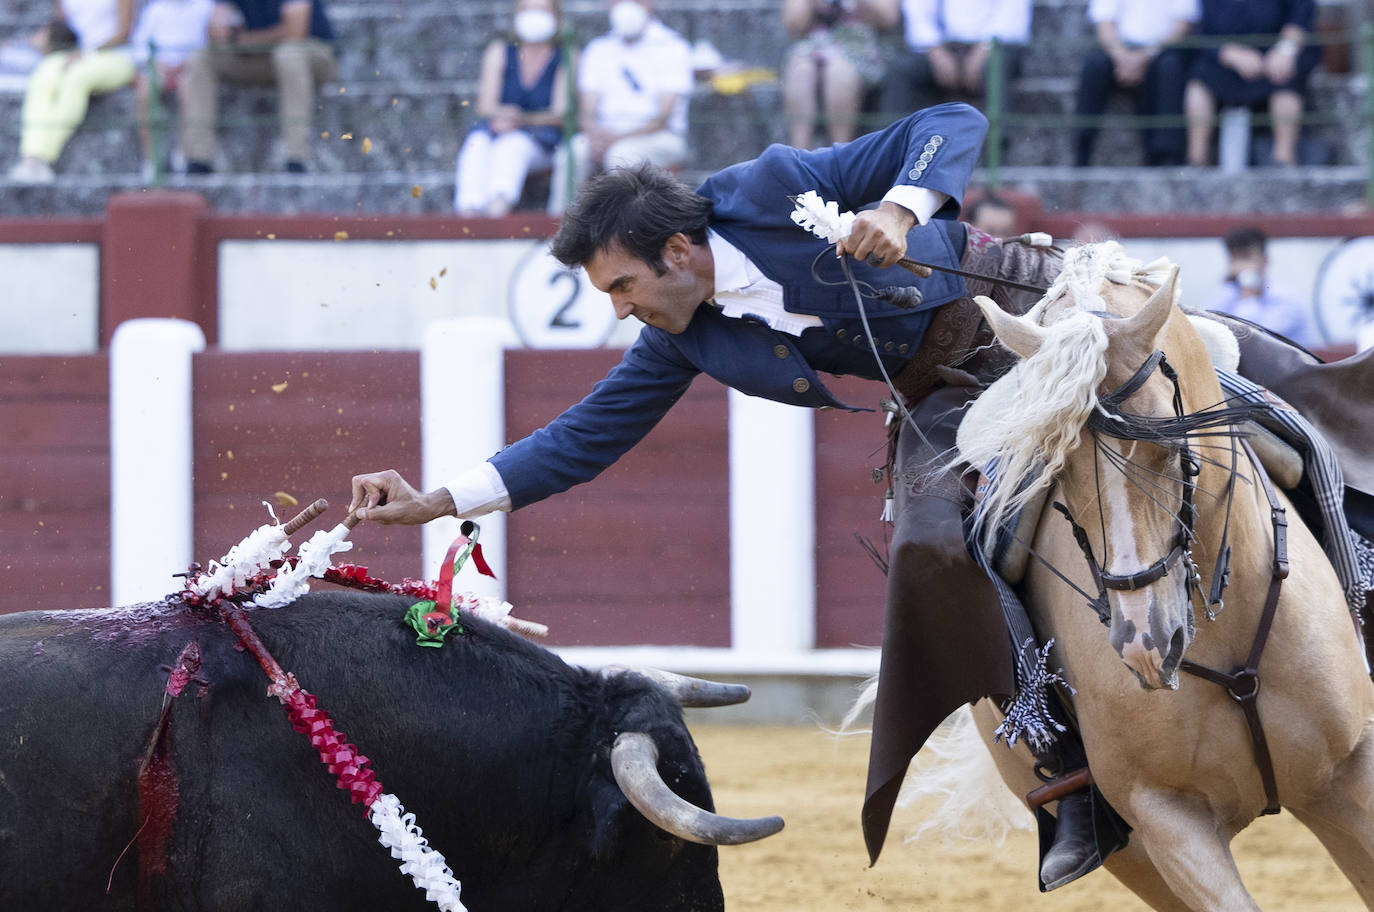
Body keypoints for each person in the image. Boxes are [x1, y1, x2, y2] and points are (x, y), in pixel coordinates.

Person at [348, 101, 1374, 891]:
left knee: (1261, 381)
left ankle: (1358, 583)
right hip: (944, 400)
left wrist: (898, 207)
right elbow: (584, 438)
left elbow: (951, 123)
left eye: (620, 287)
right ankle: (1067, 780)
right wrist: (444, 499)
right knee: (935, 548)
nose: (621, 310)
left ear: (676, 253)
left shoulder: (770, 186)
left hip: (1030, 307)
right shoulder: (685, 333)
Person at [548, 0, 690, 214]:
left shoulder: (673, 47)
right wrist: (595, 133)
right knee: (571, 153)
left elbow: (662, 118)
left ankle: (621, 233)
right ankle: (560, 227)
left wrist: (615, 138)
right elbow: (587, 109)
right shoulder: (598, 49)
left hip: (660, 138)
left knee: (621, 155)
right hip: (603, 137)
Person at [177, 0, 336, 174]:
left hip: (312, 53)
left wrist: (247, 39)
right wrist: (219, 30)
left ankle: (296, 159)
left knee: (289, 54)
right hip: (261, 56)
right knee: (201, 58)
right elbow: (215, 25)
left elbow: (295, 32)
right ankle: (199, 159)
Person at [453, 0, 574, 217]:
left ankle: (497, 214)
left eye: (541, 10)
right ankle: (468, 215)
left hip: (542, 141)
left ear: (557, 17)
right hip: (496, 131)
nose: (533, 16)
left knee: (511, 147)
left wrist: (519, 120)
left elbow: (561, 114)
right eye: (527, 10)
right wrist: (501, 117)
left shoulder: (566, 55)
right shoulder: (499, 51)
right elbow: (485, 106)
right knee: (476, 144)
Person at [7, 0, 136, 184]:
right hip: (72, 56)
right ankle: (31, 158)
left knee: (76, 78)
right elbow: (62, 30)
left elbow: (124, 33)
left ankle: (42, 158)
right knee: (44, 74)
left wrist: (88, 52)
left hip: (113, 56)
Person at [1184, 0, 1321, 167]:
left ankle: (1283, 159)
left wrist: (1284, 51)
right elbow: (1200, 30)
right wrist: (1228, 53)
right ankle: (1197, 160)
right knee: (1199, 81)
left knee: (1286, 77)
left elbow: (1300, 19)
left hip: (1275, 55)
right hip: (1226, 57)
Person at [1073, 0, 1197, 167]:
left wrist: (1147, 55)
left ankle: (1166, 154)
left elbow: (1183, 25)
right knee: (1094, 65)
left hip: (1160, 51)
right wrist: (1121, 57)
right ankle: (1082, 147)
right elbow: (1103, 22)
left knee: (1170, 68)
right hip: (1118, 51)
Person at [878, 0, 1031, 118]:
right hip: (940, 47)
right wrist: (935, 50)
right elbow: (917, 13)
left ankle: (997, 150)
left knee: (996, 69)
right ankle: (891, 149)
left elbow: (1012, 17)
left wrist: (984, 48)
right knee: (902, 70)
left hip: (994, 47)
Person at [780, 0, 899, 149]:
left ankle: (839, 153)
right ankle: (798, 154)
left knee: (838, 71)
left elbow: (888, 18)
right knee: (800, 70)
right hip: (814, 45)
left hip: (861, 45)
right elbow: (793, 24)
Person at [129, 0, 214, 181]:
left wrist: (186, 63)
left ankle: (183, 155)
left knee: (190, 91)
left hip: (190, 69)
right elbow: (139, 46)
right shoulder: (156, 9)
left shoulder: (205, 7)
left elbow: (209, 43)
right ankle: (152, 159)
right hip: (159, 68)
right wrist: (158, 63)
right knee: (145, 93)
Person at [1206, 225, 1314, 346]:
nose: (1239, 266)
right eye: (1234, 259)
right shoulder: (1229, 293)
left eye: (1245, 258)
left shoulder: (1287, 300)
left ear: (1265, 260)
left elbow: (1250, 340)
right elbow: (1208, 332)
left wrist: (1248, 294)